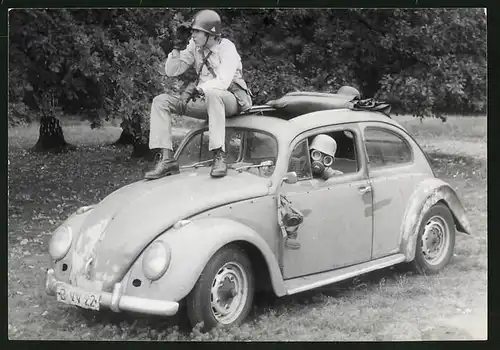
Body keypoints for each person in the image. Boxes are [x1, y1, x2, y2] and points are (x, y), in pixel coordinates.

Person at [145, 9, 253, 180]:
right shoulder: (194, 47)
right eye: (192, 31)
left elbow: (223, 82)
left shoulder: (227, 48)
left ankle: (219, 155)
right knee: (161, 101)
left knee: (212, 92)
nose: (193, 35)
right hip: (206, 100)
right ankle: (167, 160)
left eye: (197, 31)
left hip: (231, 100)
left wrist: (199, 89)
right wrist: (176, 48)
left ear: (210, 34)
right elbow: (172, 71)